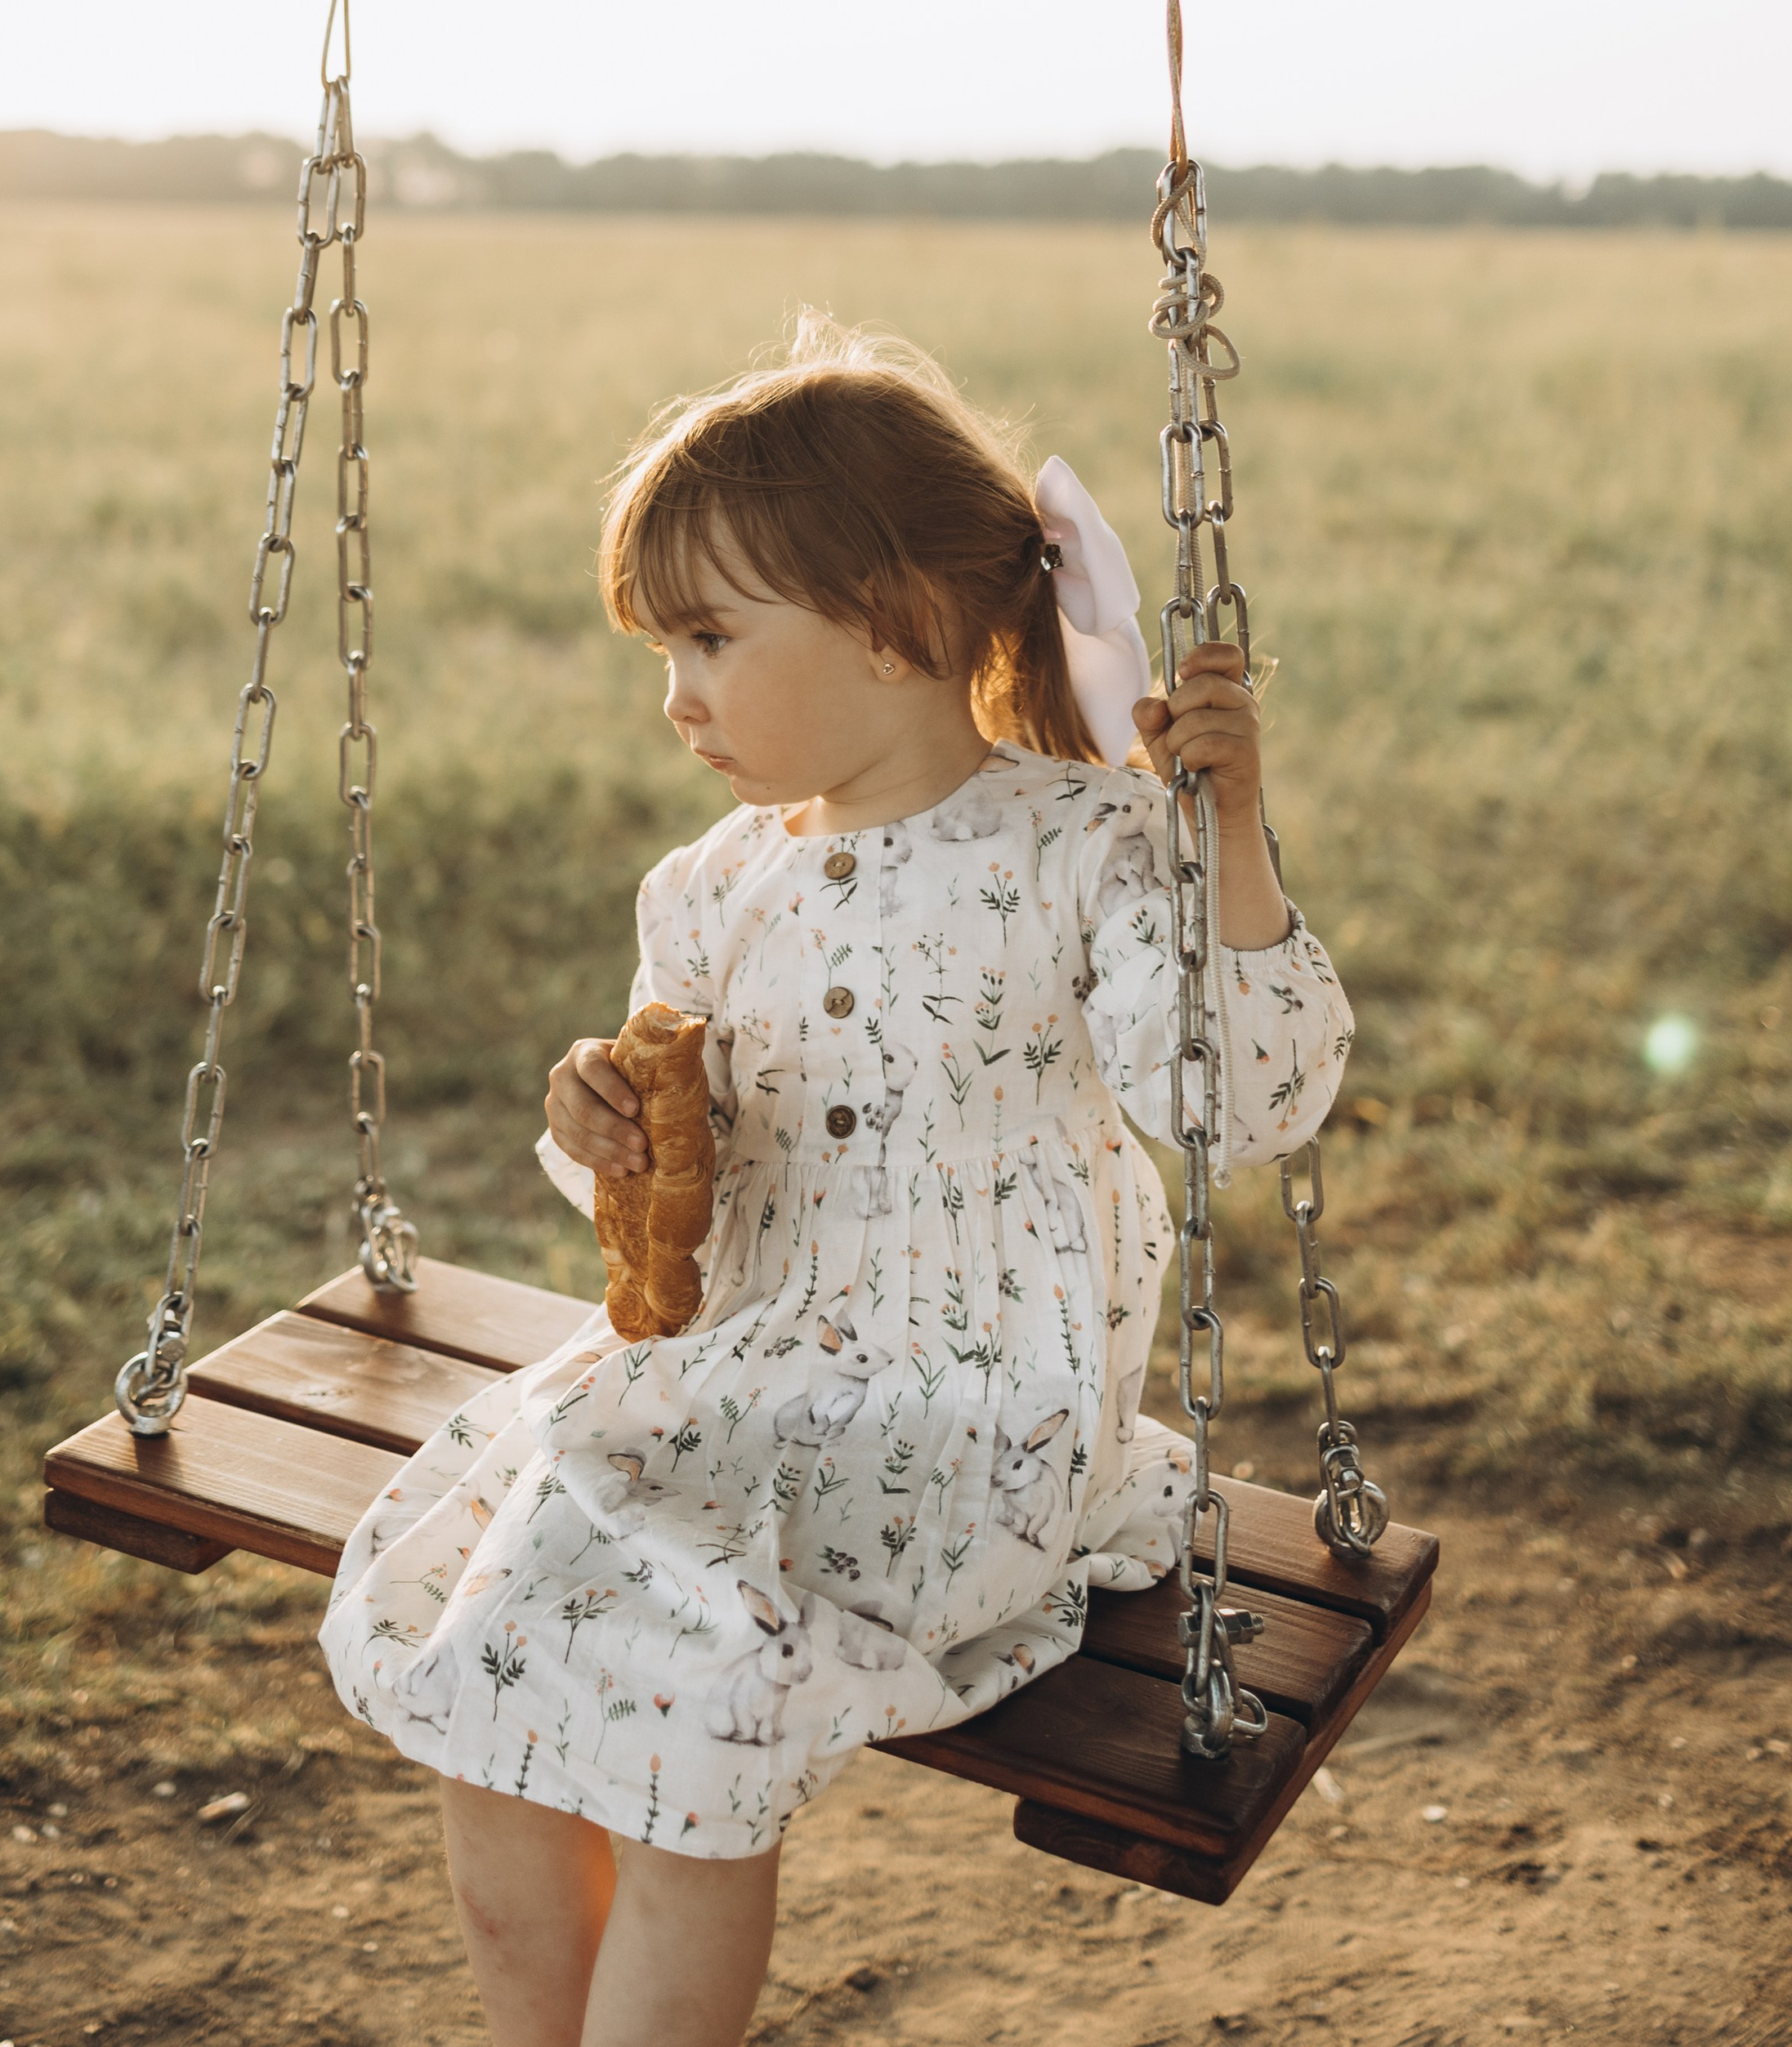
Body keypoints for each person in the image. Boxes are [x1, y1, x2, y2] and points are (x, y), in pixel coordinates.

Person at [318, 323, 1353, 2047]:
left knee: (688, 1702)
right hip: (740, 1367)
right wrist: (608, 1131)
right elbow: (681, 1208)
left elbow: (1234, 1102)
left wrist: (1225, 838)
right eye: (661, 650)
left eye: (711, 640)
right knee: (468, 1653)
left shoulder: (1086, 847)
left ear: (889, 625)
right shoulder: (715, 889)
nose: (677, 696)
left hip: (961, 1415)